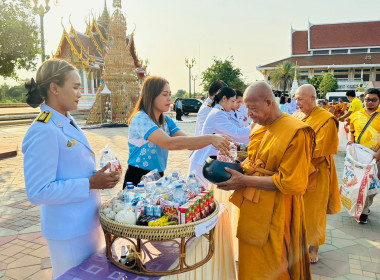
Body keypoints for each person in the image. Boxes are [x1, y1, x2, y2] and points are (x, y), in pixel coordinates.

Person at [22, 59, 121, 279]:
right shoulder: (43, 129)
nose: (80, 93)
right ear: (54, 88)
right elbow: (38, 191)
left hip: (86, 222)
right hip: (68, 231)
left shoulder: (65, 121)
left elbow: (72, 168)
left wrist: (98, 177)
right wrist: (90, 183)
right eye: (75, 87)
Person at [217, 81, 314, 279]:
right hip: (253, 208)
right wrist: (237, 170)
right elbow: (255, 162)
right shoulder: (263, 127)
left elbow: (291, 182)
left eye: (252, 109)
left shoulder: (296, 131)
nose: (248, 114)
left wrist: (244, 181)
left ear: (268, 102)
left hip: (278, 210)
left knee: (275, 265)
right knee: (250, 262)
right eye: (246, 108)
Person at [123, 76, 230, 186]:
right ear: (151, 96)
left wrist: (214, 139)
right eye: (164, 95)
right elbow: (169, 143)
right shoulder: (141, 118)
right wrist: (210, 139)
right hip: (137, 179)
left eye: (170, 94)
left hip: (157, 177)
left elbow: (189, 143)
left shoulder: (166, 121)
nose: (169, 98)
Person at [293, 84, 341, 263]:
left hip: (317, 171)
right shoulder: (298, 115)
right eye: (296, 98)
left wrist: (293, 153)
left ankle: (314, 249)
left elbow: (319, 149)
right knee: (298, 209)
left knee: (314, 212)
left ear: (313, 99)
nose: (297, 102)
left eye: (301, 99)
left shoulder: (326, 119)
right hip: (298, 170)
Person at [189, 87, 251, 187]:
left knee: (205, 195)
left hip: (208, 160)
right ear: (224, 98)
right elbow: (237, 133)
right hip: (202, 159)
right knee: (197, 193)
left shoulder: (220, 112)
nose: (234, 105)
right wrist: (254, 126)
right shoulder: (218, 114)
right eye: (233, 101)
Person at [348, 88, 380, 224]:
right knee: (360, 183)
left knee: (373, 186)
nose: (370, 102)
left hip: (376, 157)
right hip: (359, 157)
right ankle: (363, 211)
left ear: (379, 100)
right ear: (363, 99)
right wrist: (350, 141)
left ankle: (366, 206)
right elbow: (351, 130)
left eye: (374, 100)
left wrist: (377, 156)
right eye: (367, 99)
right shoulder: (356, 115)